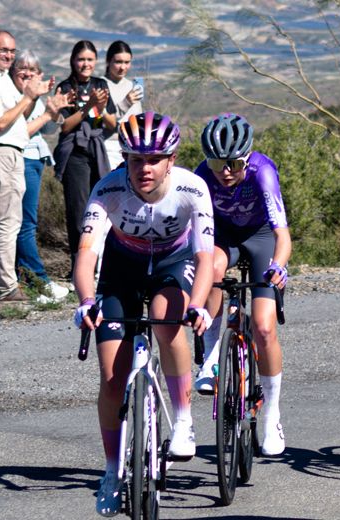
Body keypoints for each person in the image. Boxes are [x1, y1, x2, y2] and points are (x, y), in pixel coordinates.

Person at [73, 112, 214, 516]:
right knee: (112, 377)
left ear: (171, 159)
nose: (144, 168)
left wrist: (200, 304)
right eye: (136, 159)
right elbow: (86, 256)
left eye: (154, 159)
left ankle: (183, 420)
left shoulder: (192, 188)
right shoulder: (108, 188)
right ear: (125, 159)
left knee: (168, 316)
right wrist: (85, 300)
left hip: (173, 264)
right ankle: (113, 470)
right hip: (122, 270)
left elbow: (205, 257)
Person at [194, 113, 291, 456]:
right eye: (217, 161)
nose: (225, 170)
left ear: (246, 158)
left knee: (264, 329)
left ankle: (273, 414)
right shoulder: (202, 176)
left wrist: (279, 265)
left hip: (261, 237)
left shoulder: (262, 171)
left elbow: (282, 234)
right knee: (213, 265)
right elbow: (194, 233)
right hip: (224, 237)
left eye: (233, 162)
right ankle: (210, 357)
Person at [0, 30, 51, 302]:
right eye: (4, 50)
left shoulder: (1, 79)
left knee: (9, 222)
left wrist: (34, 96)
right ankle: (5, 287)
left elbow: (17, 119)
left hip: (10, 152)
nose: (9, 56)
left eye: (12, 51)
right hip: (1, 154)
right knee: (7, 224)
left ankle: (0, 285)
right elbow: (0, 123)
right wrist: (27, 97)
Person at [8, 50, 70, 302]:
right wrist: (31, 97)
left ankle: (23, 280)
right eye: (21, 69)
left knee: (25, 221)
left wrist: (54, 109)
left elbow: (47, 128)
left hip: (36, 158)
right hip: (20, 157)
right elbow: (19, 128)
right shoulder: (14, 96)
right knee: (24, 223)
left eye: (32, 70)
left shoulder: (34, 96)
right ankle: (38, 279)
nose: (27, 73)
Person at [53, 40, 117, 278]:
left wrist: (99, 108)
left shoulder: (101, 85)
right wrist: (88, 106)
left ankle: (101, 263)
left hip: (96, 150)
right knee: (78, 211)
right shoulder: (64, 88)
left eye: (90, 60)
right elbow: (65, 127)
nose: (85, 64)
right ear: (73, 61)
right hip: (75, 154)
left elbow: (112, 125)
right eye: (81, 59)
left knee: (103, 206)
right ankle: (78, 266)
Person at [102, 40, 144, 171]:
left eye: (127, 62)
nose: (122, 67)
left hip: (131, 148)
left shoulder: (132, 86)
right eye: (118, 62)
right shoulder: (100, 85)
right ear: (108, 62)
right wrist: (126, 103)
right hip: (108, 146)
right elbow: (100, 121)